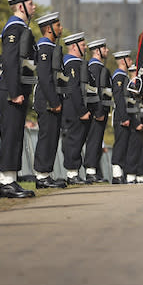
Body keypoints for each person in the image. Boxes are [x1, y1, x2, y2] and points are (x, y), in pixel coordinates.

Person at [0, 0, 37, 198]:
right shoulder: (15, 28)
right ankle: (6, 183)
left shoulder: (21, 28)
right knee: (10, 135)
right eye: (31, 4)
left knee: (16, 136)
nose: (34, 7)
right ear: (21, 6)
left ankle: (11, 179)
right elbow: (11, 62)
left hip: (18, 90)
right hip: (11, 91)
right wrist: (14, 92)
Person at [32, 12, 67, 188]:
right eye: (58, 25)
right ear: (48, 28)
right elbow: (45, 78)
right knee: (46, 136)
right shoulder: (44, 48)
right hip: (47, 101)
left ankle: (46, 173)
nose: (60, 28)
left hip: (53, 100)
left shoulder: (52, 47)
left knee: (52, 137)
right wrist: (54, 102)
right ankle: (41, 175)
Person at [61, 32, 92, 185]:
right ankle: (72, 173)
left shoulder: (75, 63)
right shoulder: (72, 63)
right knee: (74, 139)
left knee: (77, 139)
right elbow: (73, 88)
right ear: (74, 47)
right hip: (73, 108)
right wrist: (81, 111)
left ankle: (74, 172)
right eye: (82, 45)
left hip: (74, 107)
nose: (85, 48)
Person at [84, 39, 112, 182]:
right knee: (94, 141)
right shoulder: (94, 67)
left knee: (97, 140)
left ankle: (93, 170)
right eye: (104, 48)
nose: (107, 50)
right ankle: (90, 171)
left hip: (101, 112)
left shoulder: (100, 67)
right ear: (97, 51)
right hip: (97, 112)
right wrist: (99, 111)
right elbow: (94, 92)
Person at [110, 50, 132, 184]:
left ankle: (120, 173)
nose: (131, 61)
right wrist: (124, 117)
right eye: (129, 59)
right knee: (120, 143)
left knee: (124, 144)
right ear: (123, 61)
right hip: (120, 116)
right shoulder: (119, 76)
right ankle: (116, 174)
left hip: (124, 115)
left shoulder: (124, 76)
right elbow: (118, 97)